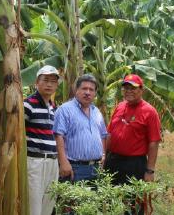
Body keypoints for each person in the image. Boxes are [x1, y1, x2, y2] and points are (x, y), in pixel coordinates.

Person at [105, 74, 161, 213]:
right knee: (108, 201)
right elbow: (110, 133)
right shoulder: (119, 106)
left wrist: (150, 171)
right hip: (113, 161)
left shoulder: (149, 111)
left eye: (133, 88)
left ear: (141, 90)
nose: (128, 91)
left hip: (134, 164)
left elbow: (154, 142)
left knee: (133, 205)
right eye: (125, 88)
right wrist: (104, 157)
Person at [53, 74, 107, 182]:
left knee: (94, 199)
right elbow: (58, 136)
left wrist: (104, 155)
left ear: (95, 93)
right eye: (84, 88)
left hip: (96, 168)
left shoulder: (96, 111)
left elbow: (103, 135)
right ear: (76, 90)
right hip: (75, 168)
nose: (87, 92)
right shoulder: (65, 110)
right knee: (71, 199)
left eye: (91, 89)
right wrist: (63, 162)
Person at [24, 65, 60, 215]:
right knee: (34, 206)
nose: (49, 84)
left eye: (53, 81)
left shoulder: (54, 107)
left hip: (52, 161)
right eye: (45, 80)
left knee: (48, 205)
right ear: (36, 82)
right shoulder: (28, 104)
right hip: (35, 161)